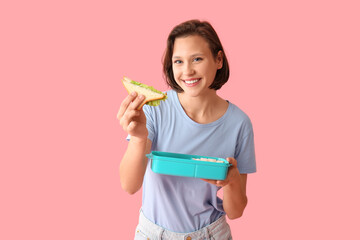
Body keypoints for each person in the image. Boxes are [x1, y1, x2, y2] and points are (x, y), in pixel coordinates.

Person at [117, 19, 256, 240]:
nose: (187, 71)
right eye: (178, 61)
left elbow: (236, 211)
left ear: (218, 60)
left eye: (197, 59)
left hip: (211, 234)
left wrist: (231, 181)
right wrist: (138, 137)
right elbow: (129, 185)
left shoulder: (239, 123)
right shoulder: (156, 109)